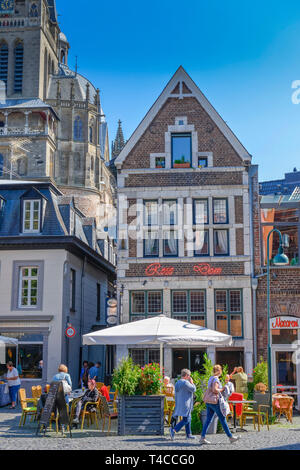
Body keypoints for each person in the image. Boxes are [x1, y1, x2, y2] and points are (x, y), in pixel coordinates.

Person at [200, 364, 240, 445]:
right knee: (222, 419)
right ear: (219, 371)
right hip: (215, 402)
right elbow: (215, 390)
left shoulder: (211, 378)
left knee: (208, 419)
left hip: (209, 402)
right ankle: (230, 437)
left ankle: (202, 437)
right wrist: (222, 389)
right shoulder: (215, 379)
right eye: (220, 370)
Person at [169, 369, 196, 440]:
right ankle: (174, 430)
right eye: (189, 376)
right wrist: (192, 382)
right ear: (187, 375)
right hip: (186, 404)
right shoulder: (186, 383)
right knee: (186, 419)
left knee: (188, 418)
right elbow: (193, 389)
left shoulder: (177, 382)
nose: (190, 377)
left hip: (179, 403)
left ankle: (188, 434)